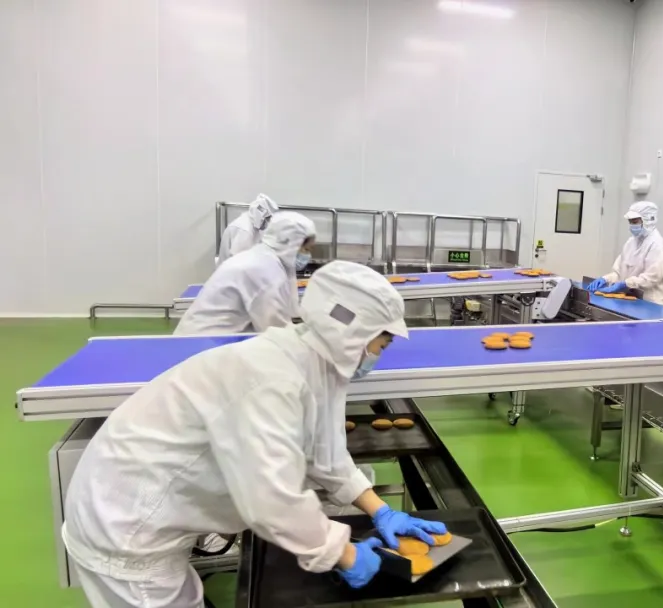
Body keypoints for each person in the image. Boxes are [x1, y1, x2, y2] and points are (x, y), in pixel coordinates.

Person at [62, 261, 446, 608]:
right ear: (356, 333)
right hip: (126, 526)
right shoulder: (271, 379)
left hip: (148, 509)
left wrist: (381, 510)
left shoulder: (319, 366)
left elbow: (325, 455)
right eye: (383, 342)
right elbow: (271, 500)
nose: (380, 353)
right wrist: (343, 554)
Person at [176, 211, 316, 336]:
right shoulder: (264, 270)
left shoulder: (263, 257)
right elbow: (275, 332)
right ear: (290, 242)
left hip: (203, 338)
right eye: (306, 249)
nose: (308, 255)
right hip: (204, 344)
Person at [585, 201, 663, 304]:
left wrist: (626, 284)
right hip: (629, 301)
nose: (632, 225)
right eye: (630, 222)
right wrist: (605, 279)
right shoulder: (631, 242)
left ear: (648, 220)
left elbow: (651, 278)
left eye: (635, 222)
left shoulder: (657, 244)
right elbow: (619, 273)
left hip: (649, 303)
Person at [218, 193, 279, 264]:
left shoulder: (255, 225)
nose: (268, 222)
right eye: (267, 218)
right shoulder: (244, 230)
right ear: (260, 216)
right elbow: (240, 262)